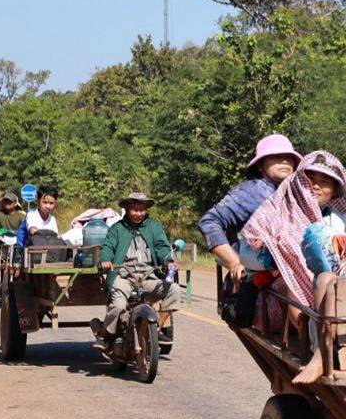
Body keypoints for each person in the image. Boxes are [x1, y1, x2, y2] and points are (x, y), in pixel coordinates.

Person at [243, 151, 346, 383]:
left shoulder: (343, 220)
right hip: (292, 289)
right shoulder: (278, 212)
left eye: (324, 182)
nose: (315, 187)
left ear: (334, 190)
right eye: (309, 180)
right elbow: (247, 252)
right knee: (293, 287)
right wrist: (283, 258)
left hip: (343, 289)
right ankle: (315, 346)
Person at [199, 134, 302, 285]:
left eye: (289, 157)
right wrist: (234, 262)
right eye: (277, 156)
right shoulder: (253, 192)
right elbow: (209, 221)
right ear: (261, 165)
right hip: (254, 279)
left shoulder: (299, 193)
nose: (284, 160)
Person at [91, 193, 180, 344]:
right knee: (118, 306)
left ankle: (156, 328)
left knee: (174, 290)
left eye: (142, 210)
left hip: (148, 276)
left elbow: (162, 247)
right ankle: (106, 335)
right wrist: (105, 260)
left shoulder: (154, 227)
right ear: (126, 209)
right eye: (134, 210)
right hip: (123, 276)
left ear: (146, 210)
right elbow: (108, 247)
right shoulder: (117, 229)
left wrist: (168, 260)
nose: (138, 214)